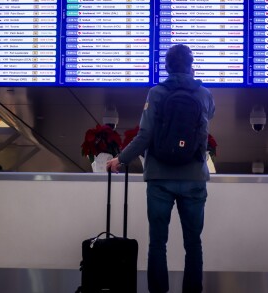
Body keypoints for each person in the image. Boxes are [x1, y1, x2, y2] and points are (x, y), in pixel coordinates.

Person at [107, 44, 215, 293]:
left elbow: (145, 135)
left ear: (166, 67)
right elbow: (207, 121)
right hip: (194, 178)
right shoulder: (204, 94)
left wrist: (120, 159)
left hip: (160, 178)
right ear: (191, 65)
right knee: (193, 243)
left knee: (157, 243)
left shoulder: (156, 93)